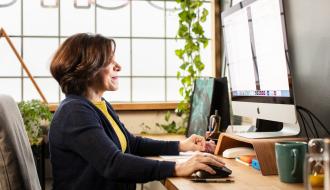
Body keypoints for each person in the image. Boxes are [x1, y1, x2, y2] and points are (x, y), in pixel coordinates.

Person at [48, 33, 224, 190]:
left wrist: (181, 146)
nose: (118, 66)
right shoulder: (74, 112)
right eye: (109, 60)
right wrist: (177, 167)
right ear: (87, 67)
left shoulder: (99, 104)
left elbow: (132, 143)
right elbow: (113, 163)